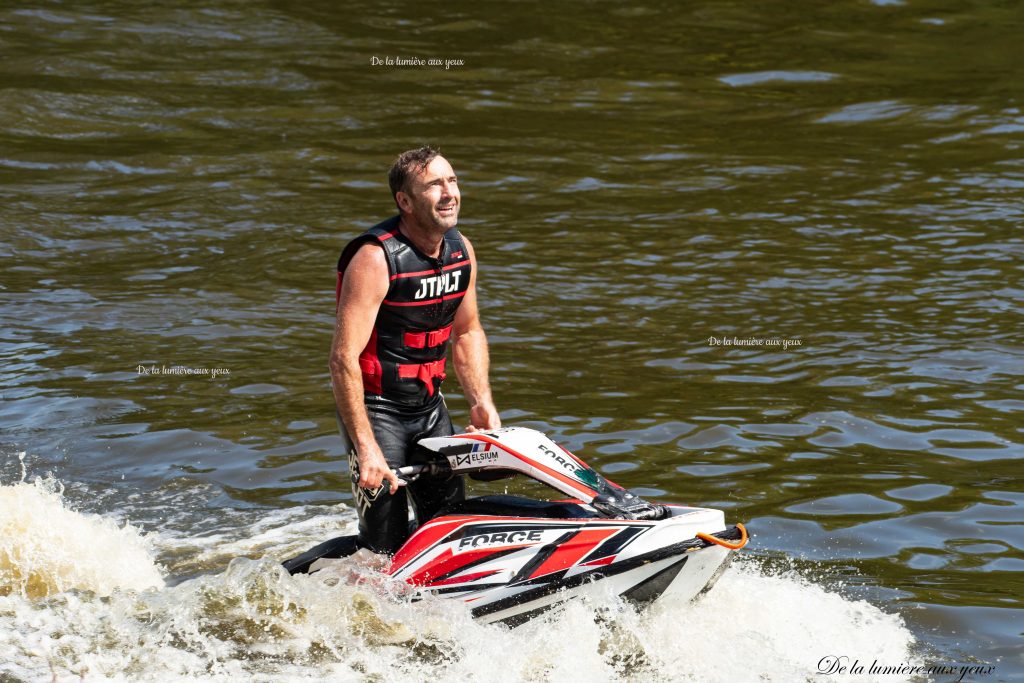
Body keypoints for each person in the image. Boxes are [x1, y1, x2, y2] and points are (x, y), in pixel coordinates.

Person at [329, 146, 501, 555]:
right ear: (404, 201)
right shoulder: (375, 258)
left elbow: (467, 332)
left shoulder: (461, 251)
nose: (449, 193)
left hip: (429, 409)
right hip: (377, 412)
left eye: (453, 180)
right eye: (434, 185)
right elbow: (342, 359)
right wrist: (367, 448)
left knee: (451, 530)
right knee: (382, 546)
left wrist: (482, 403)